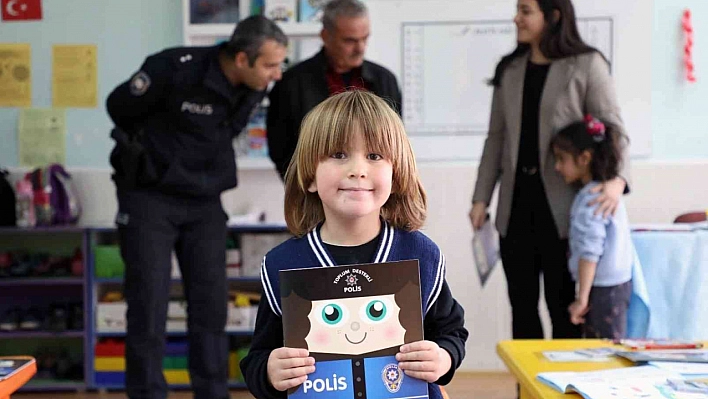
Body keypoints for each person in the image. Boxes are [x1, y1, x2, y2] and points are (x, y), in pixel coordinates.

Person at [241, 90, 468, 399]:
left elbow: (451, 332)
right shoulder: (283, 264)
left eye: (374, 156)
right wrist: (269, 371)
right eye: (339, 155)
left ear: (396, 175)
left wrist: (442, 358)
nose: (357, 169)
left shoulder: (421, 255)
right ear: (310, 177)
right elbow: (257, 358)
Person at [105, 16, 287, 399]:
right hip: (149, 199)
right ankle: (147, 394)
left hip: (204, 203)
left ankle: (212, 393)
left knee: (210, 309)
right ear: (242, 58)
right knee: (148, 306)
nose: (277, 74)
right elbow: (119, 107)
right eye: (271, 65)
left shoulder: (252, 87)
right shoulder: (174, 68)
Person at [469, 0, 631, 340]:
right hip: (515, 211)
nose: (517, 18)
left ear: (553, 16)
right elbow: (495, 139)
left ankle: (563, 390)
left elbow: (614, 130)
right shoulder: (509, 70)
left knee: (564, 311)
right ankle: (528, 392)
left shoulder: (586, 65)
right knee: (522, 309)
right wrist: (481, 198)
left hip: (565, 211)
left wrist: (618, 181)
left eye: (526, 10)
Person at [266, 0, 402, 179]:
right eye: (350, 41)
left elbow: (395, 144)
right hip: (313, 191)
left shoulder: (384, 80)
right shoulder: (291, 83)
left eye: (365, 38)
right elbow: (280, 149)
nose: (360, 48)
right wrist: (304, 190)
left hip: (372, 190)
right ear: (325, 36)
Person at [551, 115, 633, 339]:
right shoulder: (606, 192)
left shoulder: (592, 199)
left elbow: (590, 252)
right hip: (617, 284)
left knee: (603, 351)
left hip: (602, 290)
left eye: (561, 159)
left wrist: (582, 298)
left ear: (584, 158)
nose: (557, 167)